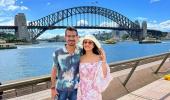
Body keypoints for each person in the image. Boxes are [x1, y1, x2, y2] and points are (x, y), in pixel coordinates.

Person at [51, 26, 82, 100]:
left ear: (77, 37)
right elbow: (54, 70)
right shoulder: (57, 52)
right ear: (65, 37)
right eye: (69, 36)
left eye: (73, 36)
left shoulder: (81, 51)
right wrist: (52, 88)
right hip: (60, 90)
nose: (71, 38)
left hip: (76, 89)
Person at [77, 34, 111, 100]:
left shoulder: (99, 57)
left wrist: (104, 60)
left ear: (93, 45)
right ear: (83, 44)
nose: (87, 44)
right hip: (81, 90)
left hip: (94, 92)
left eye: (90, 42)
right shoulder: (80, 58)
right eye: (85, 42)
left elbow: (104, 75)